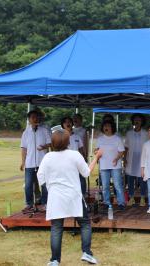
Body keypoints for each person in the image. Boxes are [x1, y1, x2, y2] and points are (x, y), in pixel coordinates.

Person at [37, 130, 102, 265]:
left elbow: (40, 177)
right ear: (68, 142)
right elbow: (86, 173)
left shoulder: (48, 157)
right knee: (84, 223)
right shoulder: (74, 155)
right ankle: (86, 253)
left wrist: (50, 188)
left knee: (56, 227)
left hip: (56, 197)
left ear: (53, 143)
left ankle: (54, 260)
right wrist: (96, 157)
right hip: (74, 196)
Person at [20, 110, 51, 213]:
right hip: (29, 163)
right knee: (28, 185)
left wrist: (44, 146)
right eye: (33, 117)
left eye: (37, 117)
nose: (35, 119)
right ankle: (29, 204)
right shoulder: (25, 132)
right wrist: (23, 162)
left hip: (42, 162)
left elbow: (50, 143)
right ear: (29, 120)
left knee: (44, 184)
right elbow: (24, 148)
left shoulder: (44, 130)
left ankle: (45, 204)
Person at [96, 121, 126, 209]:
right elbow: (97, 150)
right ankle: (106, 203)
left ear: (112, 127)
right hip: (104, 165)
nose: (106, 127)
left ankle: (121, 203)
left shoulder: (117, 138)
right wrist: (96, 152)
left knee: (118, 185)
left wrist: (116, 159)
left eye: (108, 125)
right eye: (105, 125)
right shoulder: (100, 139)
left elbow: (122, 151)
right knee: (105, 186)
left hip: (115, 165)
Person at [124, 113, 148, 206]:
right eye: (135, 119)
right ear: (133, 121)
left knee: (142, 179)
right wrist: (125, 158)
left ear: (142, 122)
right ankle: (131, 198)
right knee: (130, 179)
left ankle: (142, 198)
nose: (137, 121)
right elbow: (126, 147)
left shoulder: (146, 133)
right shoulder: (129, 133)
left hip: (142, 158)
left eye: (139, 120)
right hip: (131, 158)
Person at [61, 116, 86, 196]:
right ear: (63, 125)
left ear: (72, 124)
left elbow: (81, 149)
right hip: (65, 163)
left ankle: (82, 196)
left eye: (69, 122)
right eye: (65, 122)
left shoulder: (77, 136)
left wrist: (84, 159)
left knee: (81, 179)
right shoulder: (60, 137)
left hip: (77, 162)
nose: (68, 123)